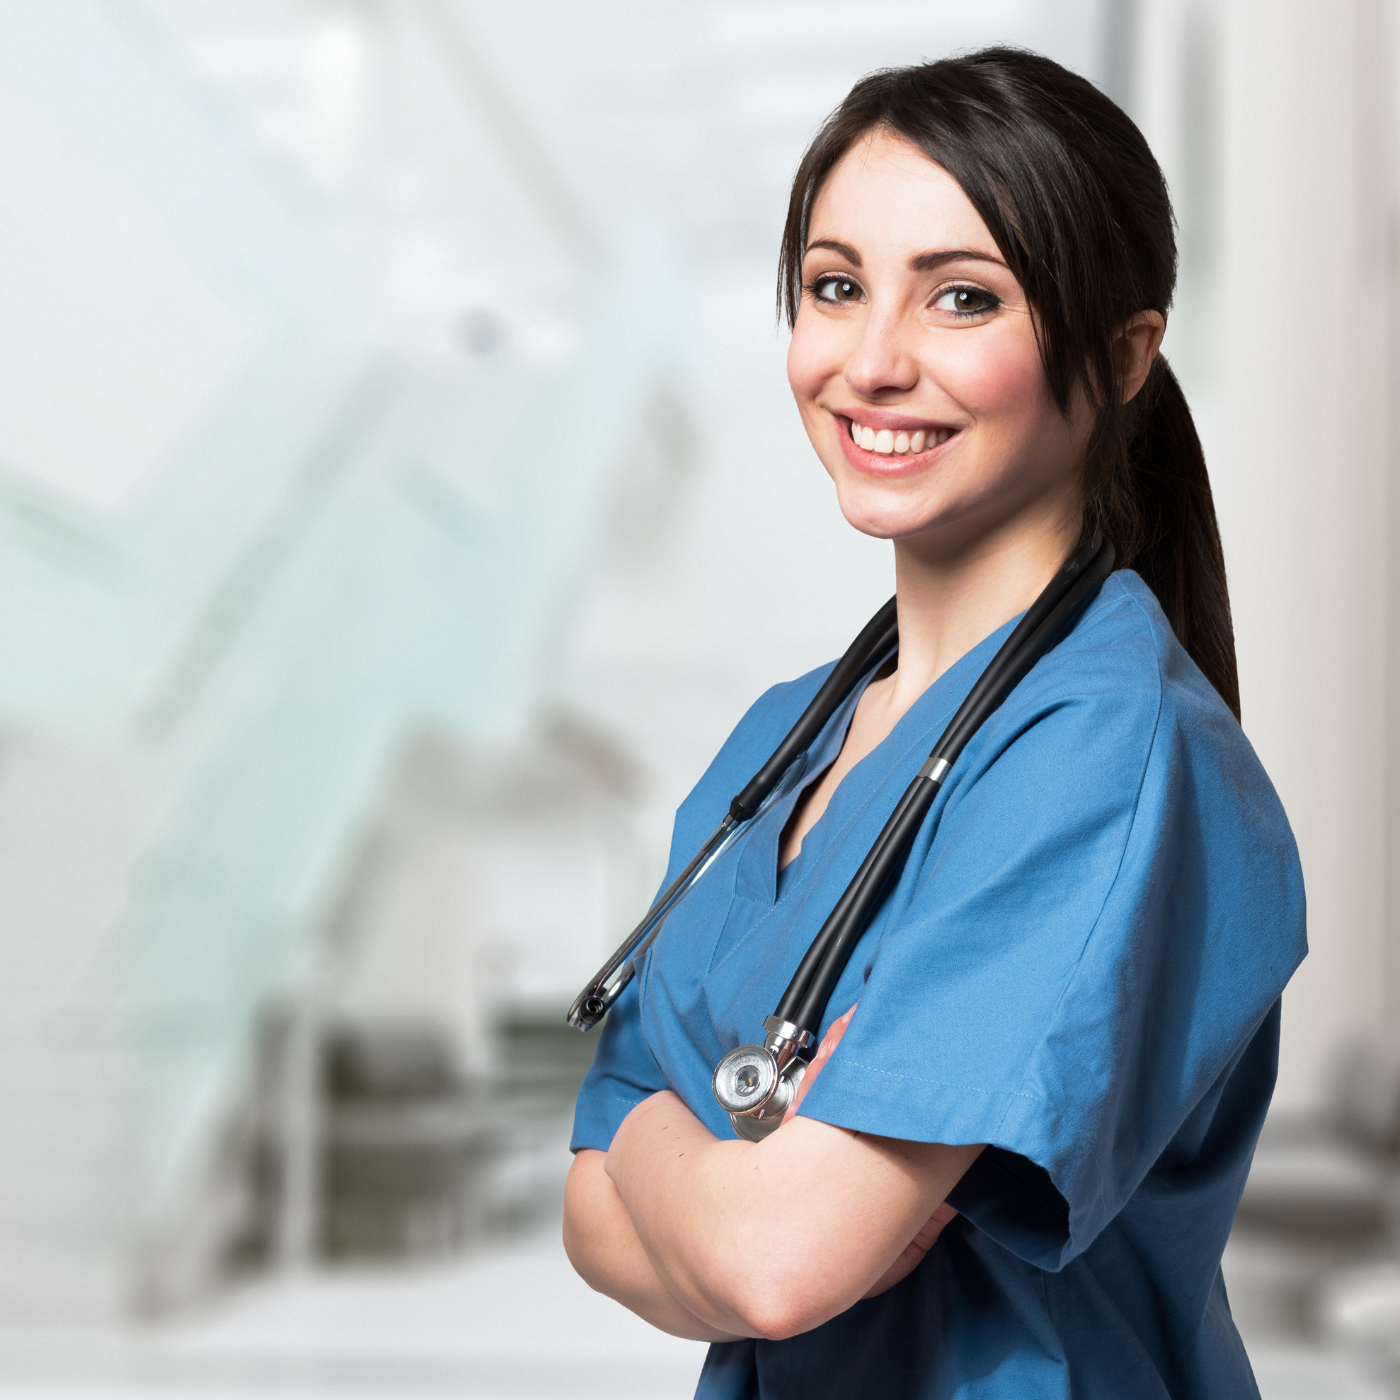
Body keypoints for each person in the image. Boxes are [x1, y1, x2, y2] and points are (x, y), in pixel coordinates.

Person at [562, 47, 1306, 1400]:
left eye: (964, 297)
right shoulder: (778, 746)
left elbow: (774, 1262)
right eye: (835, 287)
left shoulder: (1105, 755)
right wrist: (718, 1187)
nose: (872, 362)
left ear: (1124, 355)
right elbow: (585, 1217)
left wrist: (668, 1150)